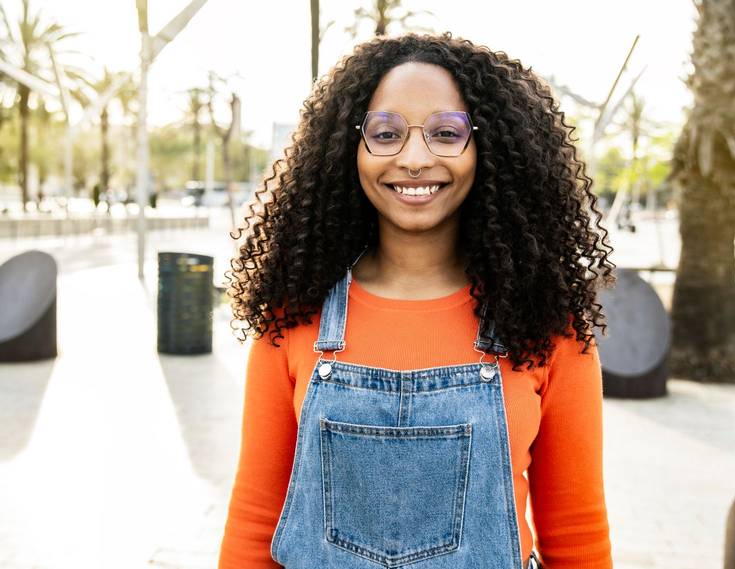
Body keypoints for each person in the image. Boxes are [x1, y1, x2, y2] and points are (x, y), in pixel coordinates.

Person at [218, 32, 615, 569]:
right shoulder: (292, 318)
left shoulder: (547, 325)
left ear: (489, 146)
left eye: (446, 133)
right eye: (386, 133)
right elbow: (254, 522)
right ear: (348, 146)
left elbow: (577, 534)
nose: (413, 159)